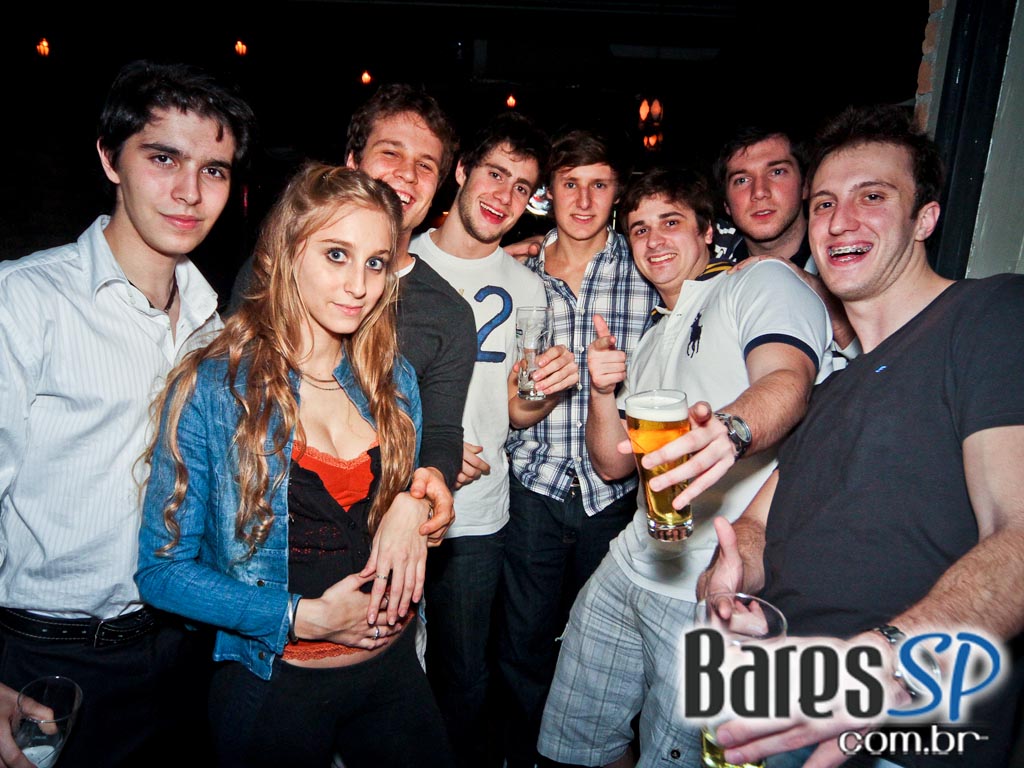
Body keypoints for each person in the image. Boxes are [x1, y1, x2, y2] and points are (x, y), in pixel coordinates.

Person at [698, 105, 1024, 768]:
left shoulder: (988, 316)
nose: (840, 221)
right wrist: (731, 579)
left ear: (924, 218)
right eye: (823, 203)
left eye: (872, 197)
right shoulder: (833, 387)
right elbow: (758, 525)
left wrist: (887, 658)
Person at [136, 163, 455, 768]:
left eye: (376, 263)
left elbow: (404, 524)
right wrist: (301, 618)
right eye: (337, 255)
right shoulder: (217, 388)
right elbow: (162, 572)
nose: (358, 285)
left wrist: (415, 505)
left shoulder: (393, 381)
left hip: (391, 673)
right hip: (275, 687)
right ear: (288, 253)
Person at [0, 59, 256, 768]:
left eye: (213, 169)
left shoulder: (213, 326)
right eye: (163, 158)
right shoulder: (25, 303)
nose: (189, 192)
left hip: (183, 650)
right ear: (111, 159)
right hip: (49, 661)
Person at [537, 167, 833, 767]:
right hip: (630, 562)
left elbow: (788, 379)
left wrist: (731, 430)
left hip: (709, 583)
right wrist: (602, 390)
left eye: (670, 222)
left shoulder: (756, 283)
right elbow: (611, 465)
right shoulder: (650, 339)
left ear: (707, 232)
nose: (654, 240)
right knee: (577, 742)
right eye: (639, 228)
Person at [411, 112, 579, 767]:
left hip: (477, 516)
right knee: (385, 668)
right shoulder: (397, 260)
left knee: (464, 673)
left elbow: (515, 410)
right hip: (385, 502)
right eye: (495, 174)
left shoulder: (528, 287)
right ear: (461, 171)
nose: (504, 197)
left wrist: (546, 390)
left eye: (523, 188)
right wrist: (429, 448)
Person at [497, 127, 659, 768]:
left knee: (611, 652)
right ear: (548, 193)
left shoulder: (647, 266)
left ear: (618, 193)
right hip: (533, 484)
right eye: (570, 184)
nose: (585, 201)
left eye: (599, 185)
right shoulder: (517, 273)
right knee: (522, 644)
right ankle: (526, 755)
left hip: (616, 492)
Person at [231, 83, 476, 503]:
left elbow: (441, 432)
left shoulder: (449, 313)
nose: (407, 174)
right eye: (391, 153)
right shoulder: (275, 271)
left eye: (425, 165)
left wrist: (429, 483)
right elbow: (227, 393)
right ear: (352, 163)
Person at [712, 125, 858, 362]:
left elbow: (889, 362)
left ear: (805, 186)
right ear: (726, 204)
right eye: (742, 180)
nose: (759, 192)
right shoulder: (713, 273)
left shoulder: (850, 256)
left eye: (777, 172)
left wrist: (824, 300)